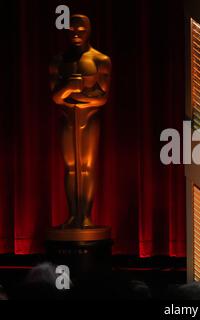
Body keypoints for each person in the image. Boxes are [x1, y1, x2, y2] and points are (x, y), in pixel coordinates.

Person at [50, 15, 111, 228]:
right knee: (71, 168)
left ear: (89, 30)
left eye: (81, 29)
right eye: (72, 30)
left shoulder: (100, 60)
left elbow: (103, 97)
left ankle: (85, 215)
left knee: (87, 167)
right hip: (67, 119)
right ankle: (72, 215)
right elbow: (55, 97)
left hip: (90, 118)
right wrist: (68, 88)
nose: (76, 34)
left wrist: (78, 97)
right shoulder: (59, 61)